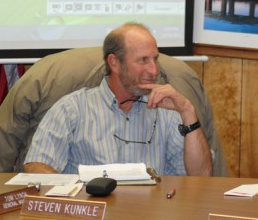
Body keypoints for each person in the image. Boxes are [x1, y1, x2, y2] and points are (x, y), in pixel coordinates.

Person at [23, 22, 213, 176]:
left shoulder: (168, 111)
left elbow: (202, 177)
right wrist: (78, 197)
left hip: (151, 218)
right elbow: (35, 169)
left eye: (155, 59)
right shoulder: (71, 109)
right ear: (114, 63)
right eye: (143, 60)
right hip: (91, 217)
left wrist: (188, 111)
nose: (154, 70)